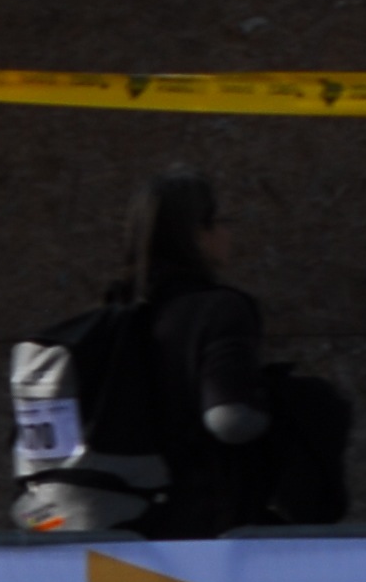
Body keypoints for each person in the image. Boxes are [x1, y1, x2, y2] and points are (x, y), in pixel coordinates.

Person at [119, 170, 277, 541]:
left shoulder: (115, 313)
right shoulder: (220, 310)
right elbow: (231, 419)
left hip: (125, 525)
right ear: (197, 234)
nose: (229, 234)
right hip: (203, 525)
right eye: (222, 222)